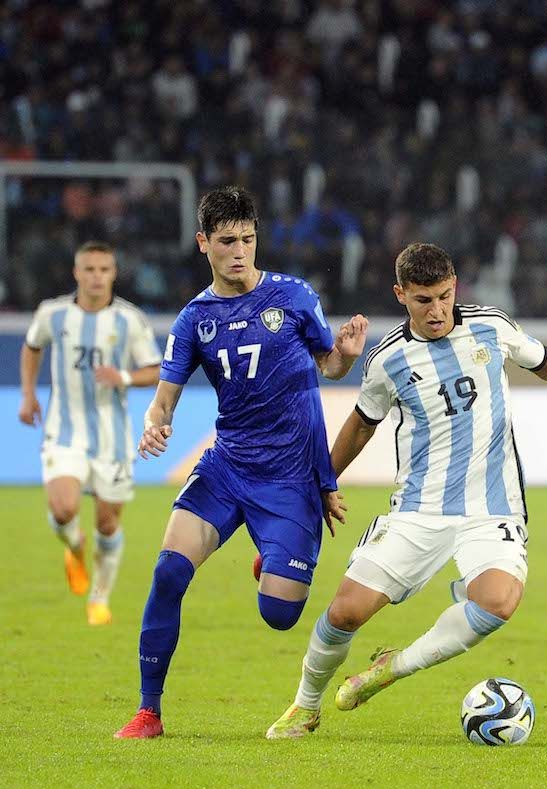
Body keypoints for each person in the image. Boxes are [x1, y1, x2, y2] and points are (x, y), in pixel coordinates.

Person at [263, 242, 547, 739]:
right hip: (418, 509)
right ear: (401, 294)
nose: (437, 310)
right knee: (345, 612)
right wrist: (321, 483)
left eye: (444, 296)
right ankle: (305, 706)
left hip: (492, 507)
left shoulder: (491, 327)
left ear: (455, 286)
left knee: (498, 601)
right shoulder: (387, 359)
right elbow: (361, 425)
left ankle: (393, 667)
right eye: (423, 300)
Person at [113, 187, 368, 739]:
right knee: (168, 572)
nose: (239, 251)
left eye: (248, 239)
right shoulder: (193, 319)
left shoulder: (293, 295)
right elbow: (164, 399)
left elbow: (328, 366)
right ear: (203, 243)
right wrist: (155, 424)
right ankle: (149, 711)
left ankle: (270, 555)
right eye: (227, 241)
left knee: (279, 615)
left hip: (292, 478)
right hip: (228, 467)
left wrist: (345, 356)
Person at [19, 241, 162, 625]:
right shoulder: (53, 314)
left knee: (107, 523)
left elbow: (155, 370)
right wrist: (29, 394)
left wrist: (123, 377)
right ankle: (74, 544)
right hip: (63, 432)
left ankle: (99, 597)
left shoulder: (129, 320)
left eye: (104, 270)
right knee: (63, 509)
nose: (96, 277)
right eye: (89, 269)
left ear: (113, 274)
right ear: (76, 273)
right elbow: (31, 347)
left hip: (112, 438)